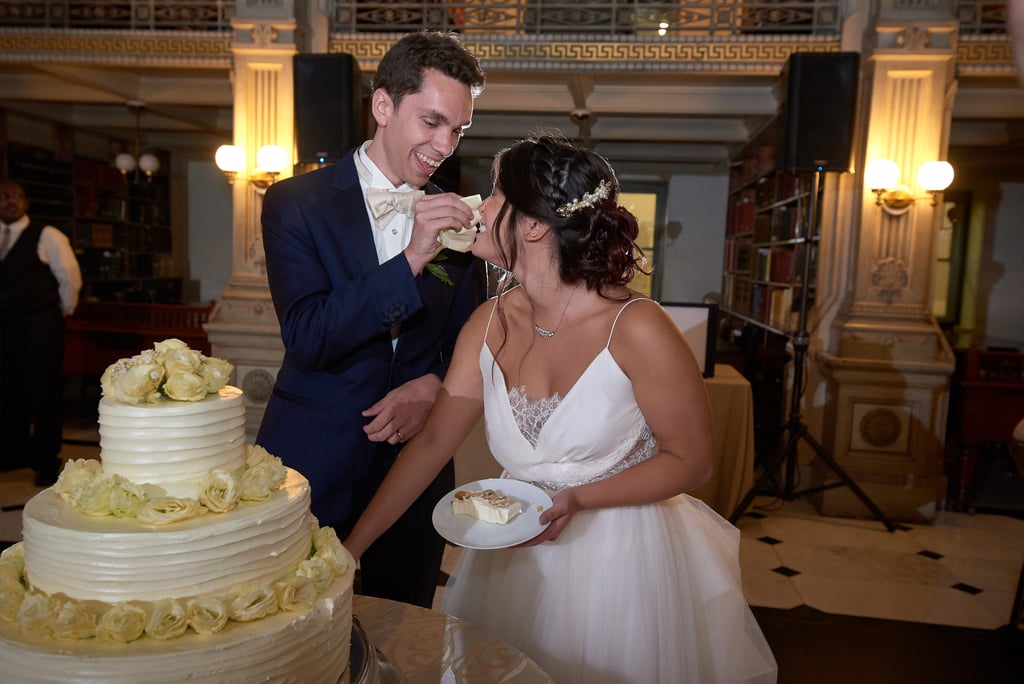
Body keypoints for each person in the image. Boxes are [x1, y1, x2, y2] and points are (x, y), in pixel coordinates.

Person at [343, 135, 778, 683]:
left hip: (619, 565)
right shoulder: (487, 322)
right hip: (512, 564)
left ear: (534, 225)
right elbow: (431, 445)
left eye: (495, 195)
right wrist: (352, 548)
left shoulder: (638, 327)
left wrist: (578, 498)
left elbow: (692, 461)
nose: (477, 206)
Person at [256, 31, 487, 608]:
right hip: (311, 456)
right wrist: (412, 258)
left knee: (404, 623)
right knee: (292, 619)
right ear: (383, 106)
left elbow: (468, 341)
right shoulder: (295, 203)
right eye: (431, 121)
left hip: (415, 465)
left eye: (457, 130)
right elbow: (308, 335)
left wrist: (434, 387)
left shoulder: (458, 218)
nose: (444, 145)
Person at [0, 179, 82, 486]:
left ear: (26, 203)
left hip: (40, 326)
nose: (10, 201)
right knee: (8, 391)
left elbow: (69, 277)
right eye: (4, 196)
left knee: (43, 392)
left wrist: (62, 310)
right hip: (4, 327)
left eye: (16, 197)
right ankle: (14, 452)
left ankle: (47, 459)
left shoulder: (47, 235)